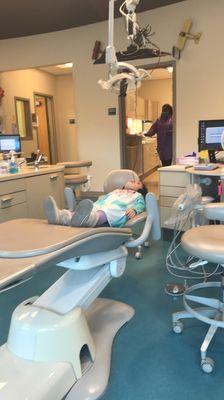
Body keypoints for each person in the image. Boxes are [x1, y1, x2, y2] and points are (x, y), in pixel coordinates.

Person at [44, 179, 147, 228]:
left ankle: (86, 219)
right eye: (133, 180)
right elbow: (106, 198)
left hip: (118, 210)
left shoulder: (138, 196)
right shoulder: (116, 190)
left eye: (138, 183)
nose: (134, 181)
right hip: (102, 206)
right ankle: (60, 216)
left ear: (140, 190)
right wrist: (101, 200)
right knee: (93, 207)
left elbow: (141, 205)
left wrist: (134, 210)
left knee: (110, 209)